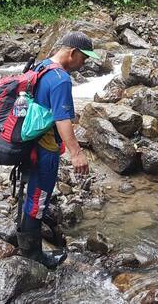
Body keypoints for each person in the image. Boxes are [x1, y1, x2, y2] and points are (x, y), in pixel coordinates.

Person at [16, 31, 98, 267]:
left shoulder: (42, 66)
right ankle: (32, 256)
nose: (84, 64)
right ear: (72, 53)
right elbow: (62, 120)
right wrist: (76, 153)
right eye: (84, 58)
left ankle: (25, 241)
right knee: (39, 196)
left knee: (32, 192)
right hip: (45, 149)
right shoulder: (61, 79)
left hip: (30, 141)